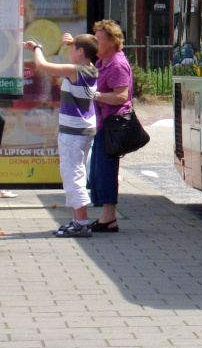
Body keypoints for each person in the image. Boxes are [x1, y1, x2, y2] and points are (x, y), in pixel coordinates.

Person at [24, 33, 100, 238]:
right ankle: (77, 220)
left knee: (72, 175)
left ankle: (82, 222)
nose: (69, 52)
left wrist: (37, 47)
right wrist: (76, 42)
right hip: (83, 130)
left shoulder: (75, 71)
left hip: (73, 132)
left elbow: (44, 66)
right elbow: (88, 49)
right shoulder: (91, 69)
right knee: (75, 172)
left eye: (72, 49)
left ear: (81, 52)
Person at [88, 19, 133, 232]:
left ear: (113, 41)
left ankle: (109, 218)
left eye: (99, 39)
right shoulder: (101, 63)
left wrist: (96, 95)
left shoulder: (117, 64)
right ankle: (106, 216)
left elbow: (121, 96)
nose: (96, 43)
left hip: (113, 125)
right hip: (102, 124)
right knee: (97, 171)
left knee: (105, 169)